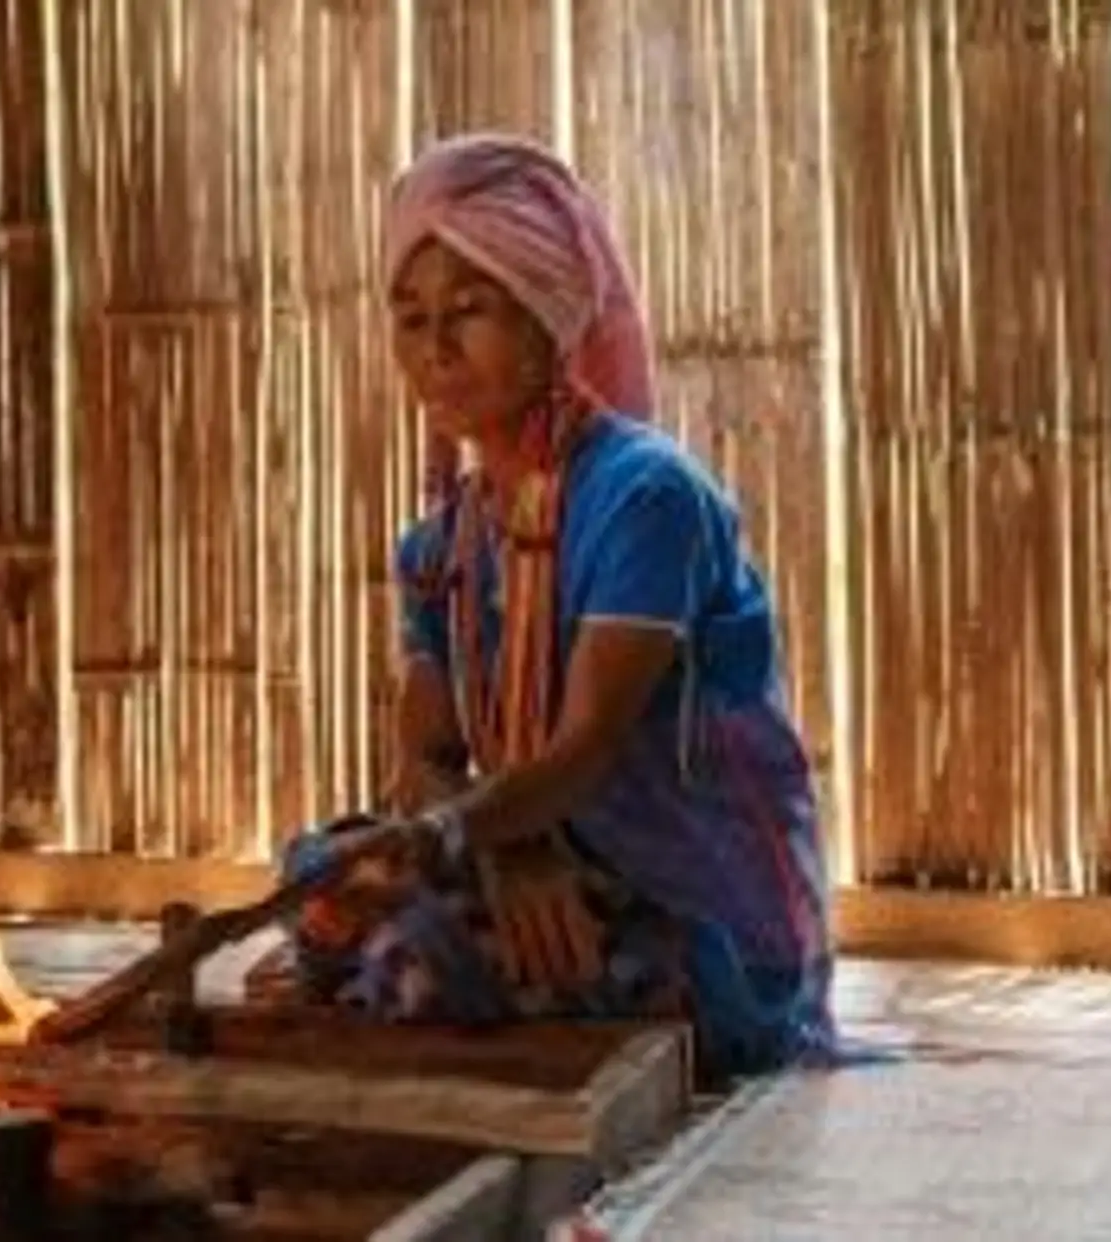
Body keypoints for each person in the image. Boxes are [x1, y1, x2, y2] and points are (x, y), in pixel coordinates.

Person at [279, 133, 837, 1082]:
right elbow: (426, 758)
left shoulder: (645, 499)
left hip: (698, 915)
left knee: (404, 962)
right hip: (538, 861)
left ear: (547, 319)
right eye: (410, 319)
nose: (436, 349)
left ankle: (717, 1004)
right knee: (318, 874)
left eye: (470, 310)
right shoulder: (443, 544)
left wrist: (464, 836)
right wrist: (503, 849)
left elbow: (583, 752)